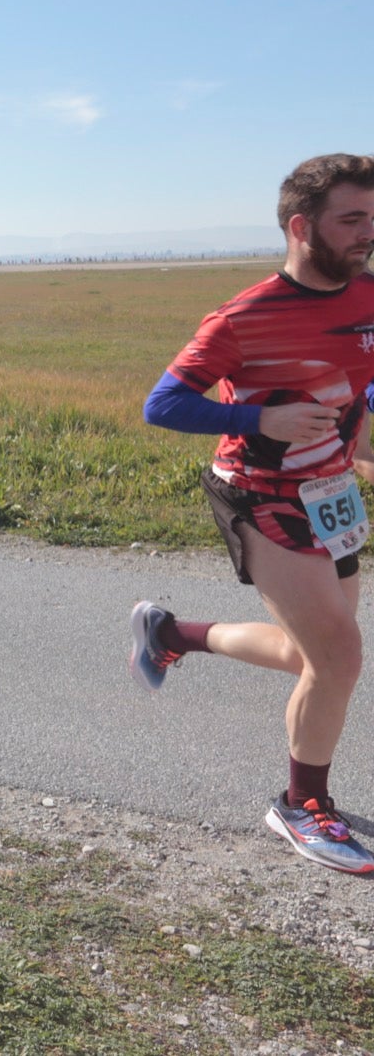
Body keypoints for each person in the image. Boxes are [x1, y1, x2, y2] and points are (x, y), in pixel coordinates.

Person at [131, 153, 374, 875]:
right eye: (353, 220)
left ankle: (171, 632)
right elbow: (163, 404)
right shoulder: (244, 317)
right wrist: (259, 415)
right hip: (259, 492)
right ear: (303, 226)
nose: (369, 234)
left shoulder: (368, 296)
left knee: (312, 657)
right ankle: (301, 807)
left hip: (331, 492)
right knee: (339, 657)